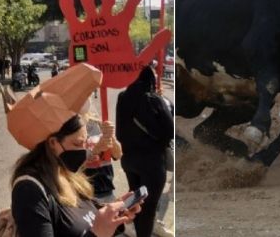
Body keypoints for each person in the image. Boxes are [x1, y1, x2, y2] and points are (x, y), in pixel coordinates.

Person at [10, 114, 140, 237]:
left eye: (85, 143)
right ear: (53, 143)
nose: (83, 151)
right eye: (77, 144)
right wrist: (97, 234)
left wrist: (113, 212)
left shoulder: (66, 171)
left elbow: (83, 216)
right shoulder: (29, 191)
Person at [115, 66, 174, 237]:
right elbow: (170, 130)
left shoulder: (122, 97)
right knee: (149, 209)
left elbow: (120, 132)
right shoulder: (154, 99)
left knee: (137, 204)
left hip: (129, 160)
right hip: (152, 162)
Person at [81, 100, 122, 203]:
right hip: (83, 195)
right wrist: (95, 150)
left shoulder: (98, 122)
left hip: (106, 190)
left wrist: (111, 137)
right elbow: (69, 166)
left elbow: (118, 154)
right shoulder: (68, 127)